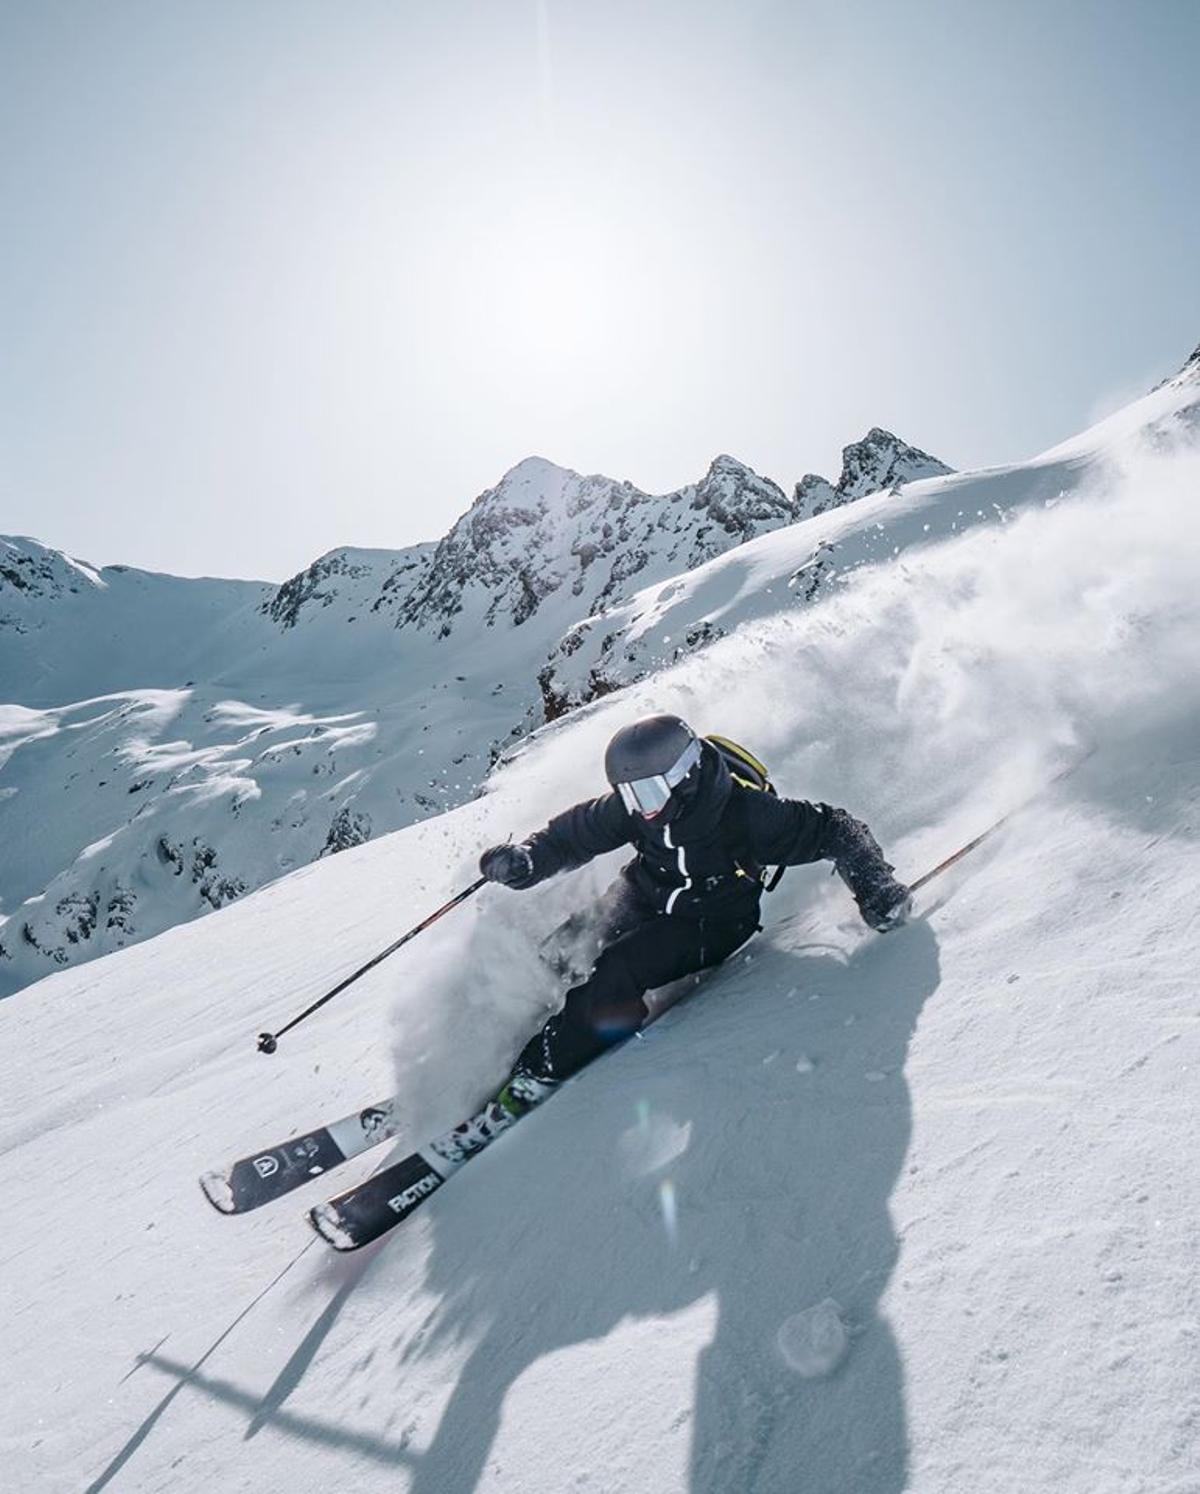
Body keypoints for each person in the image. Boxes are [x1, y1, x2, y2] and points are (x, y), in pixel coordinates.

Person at [477, 714, 911, 1117]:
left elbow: (835, 828)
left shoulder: (747, 816)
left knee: (619, 968)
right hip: (642, 892)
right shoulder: (637, 808)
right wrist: (528, 860)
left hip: (712, 921)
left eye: (646, 793)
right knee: (561, 951)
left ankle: (539, 1071)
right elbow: (574, 835)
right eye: (627, 794)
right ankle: (506, 1044)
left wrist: (876, 887)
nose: (639, 806)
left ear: (683, 776)